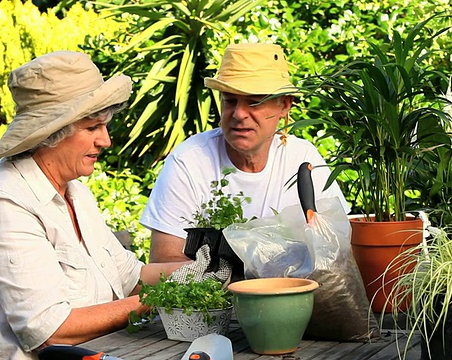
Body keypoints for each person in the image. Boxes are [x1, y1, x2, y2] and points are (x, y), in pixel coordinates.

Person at [0, 51, 191, 360]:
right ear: (52, 133)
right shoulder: (1, 202)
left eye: (105, 126)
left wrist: (203, 271)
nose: (106, 141)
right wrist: (166, 295)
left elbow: (131, 279)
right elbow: (50, 332)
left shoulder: (75, 193)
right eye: (92, 128)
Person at [140, 43, 350, 264]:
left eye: (254, 102)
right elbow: (164, 259)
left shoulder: (302, 158)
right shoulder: (189, 161)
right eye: (230, 100)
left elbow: (337, 246)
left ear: (284, 105)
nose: (239, 114)